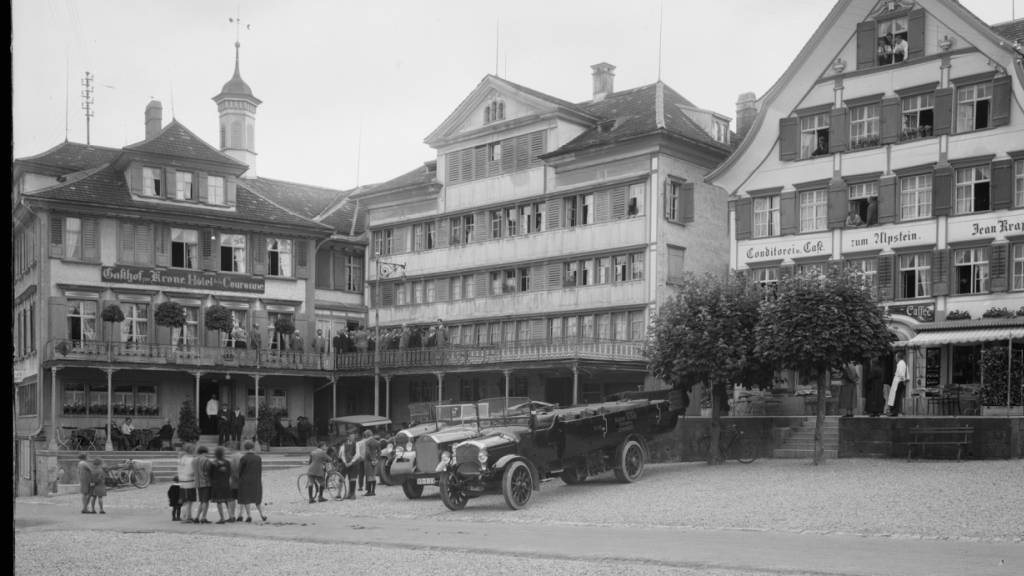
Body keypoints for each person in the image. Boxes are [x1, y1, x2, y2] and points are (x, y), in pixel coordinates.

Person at [237, 440, 267, 524]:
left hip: (245, 480)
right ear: (253, 447)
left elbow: (240, 470)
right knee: (256, 498)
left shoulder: (244, 458)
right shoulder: (258, 458)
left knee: (246, 498)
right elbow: (260, 470)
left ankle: (249, 515)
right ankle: (262, 515)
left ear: (245, 448)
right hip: (256, 480)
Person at [209, 446, 232, 523]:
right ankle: (231, 516)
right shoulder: (227, 463)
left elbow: (210, 474)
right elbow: (229, 473)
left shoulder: (213, 464)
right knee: (227, 501)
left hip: (217, 484)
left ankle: (222, 518)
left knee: (219, 502)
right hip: (225, 483)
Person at [177, 443, 197, 522]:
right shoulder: (191, 460)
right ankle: (185, 517)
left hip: (182, 481)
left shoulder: (181, 458)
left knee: (186, 500)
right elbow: (192, 471)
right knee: (189, 500)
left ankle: (188, 516)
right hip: (189, 481)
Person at [193, 445, 213, 523]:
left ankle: (197, 517)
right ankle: (203, 517)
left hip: (198, 482)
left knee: (201, 501)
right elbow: (209, 471)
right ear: (205, 452)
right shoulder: (206, 460)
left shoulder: (194, 460)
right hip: (206, 482)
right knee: (205, 501)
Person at [338, 432, 361, 500]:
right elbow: (342, 455)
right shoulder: (343, 445)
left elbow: (357, 454)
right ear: (348, 437)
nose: (353, 437)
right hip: (345, 464)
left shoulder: (356, 444)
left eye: (353, 436)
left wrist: (351, 462)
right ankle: (339, 493)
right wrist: (345, 462)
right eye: (352, 436)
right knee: (341, 478)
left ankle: (352, 494)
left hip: (353, 464)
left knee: (352, 478)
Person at [887, 351, 908, 416]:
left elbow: (901, 374)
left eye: (896, 357)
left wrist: (903, 380)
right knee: (896, 397)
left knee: (896, 398)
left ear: (898, 357)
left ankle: (894, 412)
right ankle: (894, 411)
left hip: (899, 382)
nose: (895, 358)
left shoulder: (900, 364)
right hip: (900, 382)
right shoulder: (902, 363)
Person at [362, 430, 381, 496]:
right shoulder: (377, 442)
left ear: (366, 435)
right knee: (373, 476)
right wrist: (376, 459)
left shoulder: (367, 442)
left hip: (368, 460)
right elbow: (379, 452)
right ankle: (373, 491)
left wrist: (371, 459)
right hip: (375, 459)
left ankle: (369, 491)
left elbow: (367, 452)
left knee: (369, 476)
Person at [227, 447, 242, 521]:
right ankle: (240, 515)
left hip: (232, 482)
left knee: (231, 499)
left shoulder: (230, 462)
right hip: (241, 483)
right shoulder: (242, 461)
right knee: (241, 500)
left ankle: (232, 515)